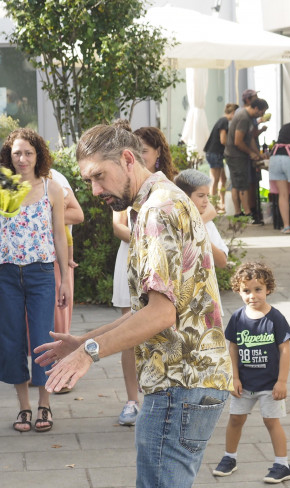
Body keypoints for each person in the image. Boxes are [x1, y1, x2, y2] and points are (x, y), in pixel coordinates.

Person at [34, 122, 232, 488]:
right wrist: (84, 337)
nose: (93, 190)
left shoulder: (156, 210)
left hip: (179, 379)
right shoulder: (167, 199)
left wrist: (89, 351)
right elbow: (160, 302)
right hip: (196, 373)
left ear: (126, 158)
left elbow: (161, 314)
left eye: (98, 176)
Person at [0, 128, 68, 434]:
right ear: (9, 155)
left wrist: (64, 278)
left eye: (29, 152)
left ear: (38, 155)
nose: (23, 158)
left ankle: (45, 403)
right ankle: (24, 407)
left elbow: (59, 234)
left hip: (41, 273)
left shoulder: (52, 189)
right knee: (11, 338)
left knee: (44, 338)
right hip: (5, 274)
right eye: (17, 153)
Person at [111, 125, 180, 426]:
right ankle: (131, 399)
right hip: (130, 257)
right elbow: (117, 226)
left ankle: (163, 393)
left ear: (158, 154)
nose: (138, 157)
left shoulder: (165, 195)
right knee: (131, 326)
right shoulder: (126, 190)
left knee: (157, 324)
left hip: (155, 260)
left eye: (145, 151)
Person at [210, 262, 290, 483]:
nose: (252, 295)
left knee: (271, 422)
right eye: (246, 290)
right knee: (235, 419)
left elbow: (284, 349)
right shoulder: (238, 317)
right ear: (238, 291)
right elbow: (233, 348)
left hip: (270, 384)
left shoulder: (275, 318)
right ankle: (229, 458)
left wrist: (282, 381)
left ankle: (282, 464)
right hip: (245, 383)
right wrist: (234, 377)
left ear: (268, 289)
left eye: (258, 289)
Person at [49, 167, 85, 339]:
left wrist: (45, 217)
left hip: (57, 257)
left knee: (58, 320)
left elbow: (78, 214)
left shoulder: (55, 177)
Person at [174, 169, 229, 269]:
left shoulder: (206, 223)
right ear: (185, 195)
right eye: (201, 196)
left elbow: (222, 262)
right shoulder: (171, 220)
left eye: (207, 195)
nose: (206, 201)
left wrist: (202, 234)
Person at [225, 98, 268, 221]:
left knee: (237, 184)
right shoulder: (244, 118)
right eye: (262, 112)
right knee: (242, 184)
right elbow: (238, 141)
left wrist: (258, 154)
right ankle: (247, 213)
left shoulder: (249, 118)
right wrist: (251, 153)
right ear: (256, 108)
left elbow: (250, 139)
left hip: (238, 155)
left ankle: (239, 213)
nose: (262, 115)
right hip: (235, 155)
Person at [203, 103, 237, 202]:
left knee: (223, 179)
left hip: (215, 153)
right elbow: (223, 140)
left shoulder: (222, 120)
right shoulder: (224, 121)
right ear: (234, 113)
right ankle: (213, 203)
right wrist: (232, 147)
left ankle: (222, 201)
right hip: (215, 153)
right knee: (216, 180)